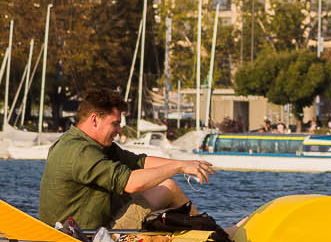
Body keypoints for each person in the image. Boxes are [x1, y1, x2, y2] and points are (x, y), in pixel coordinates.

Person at [37, 89, 217, 232]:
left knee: (150, 188)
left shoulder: (94, 144)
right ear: (94, 120)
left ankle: (204, 233)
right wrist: (177, 167)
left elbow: (140, 162)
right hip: (85, 238)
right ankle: (210, 239)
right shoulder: (80, 151)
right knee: (167, 188)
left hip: (95, 227)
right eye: (115, 124)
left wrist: (186, 164)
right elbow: (131, 183)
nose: (119, 131)